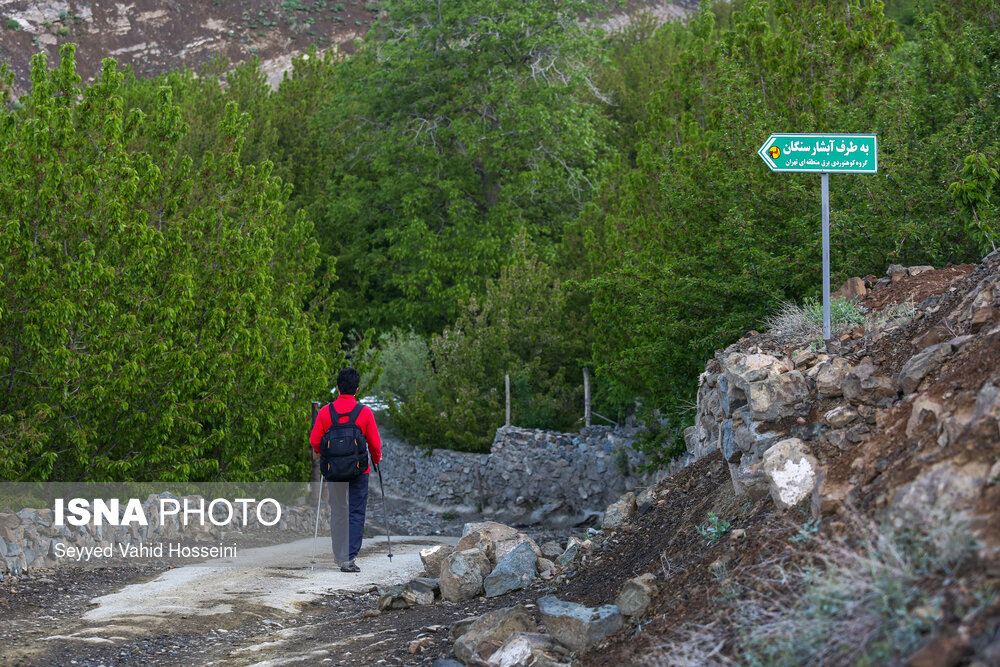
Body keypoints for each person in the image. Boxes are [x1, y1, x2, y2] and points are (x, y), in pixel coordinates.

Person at [309, 367, 382, 572]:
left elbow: (315, 441)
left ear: (338, 388)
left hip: (334, 471)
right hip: (360, 471)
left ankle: (339, 555)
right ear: (356, 389)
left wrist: (325, 454)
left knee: (338, 510)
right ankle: (349, 558)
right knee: (356, 511)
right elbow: (375, 445)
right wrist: (376, 460)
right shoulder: (364, 413)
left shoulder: (325, 412)